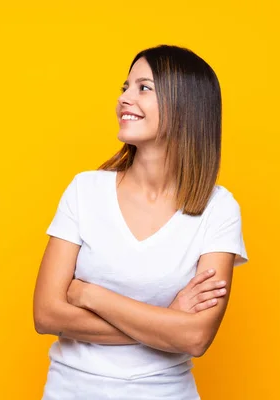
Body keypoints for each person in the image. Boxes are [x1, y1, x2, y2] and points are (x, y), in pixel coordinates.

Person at [33, 44, 249, 400]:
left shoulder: (218, 209)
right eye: (125, 87)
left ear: (185, 105)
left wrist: (89, 294)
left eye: (143, 88)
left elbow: (195, 337)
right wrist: (166, 321)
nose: (124, 99)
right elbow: (46, 314)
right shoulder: (85, 190)